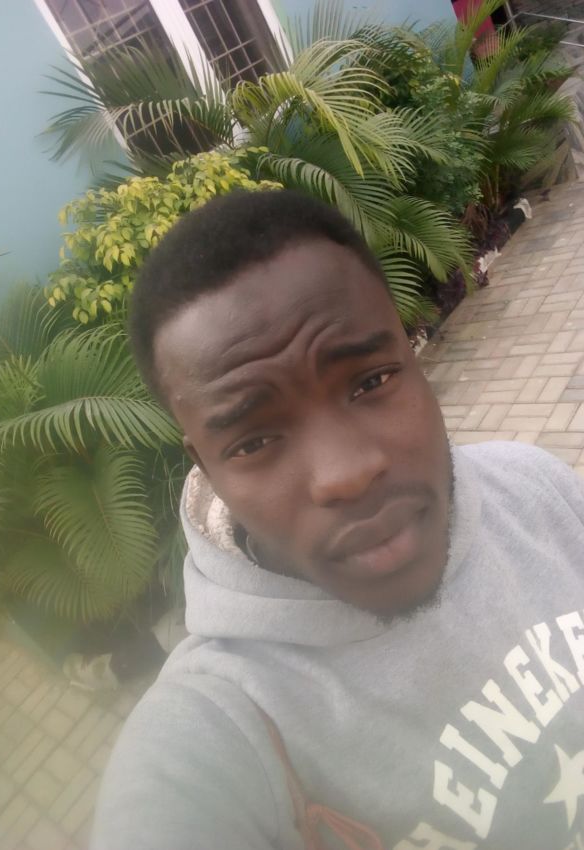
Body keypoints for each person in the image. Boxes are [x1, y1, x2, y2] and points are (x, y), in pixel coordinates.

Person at [91, 190, 584, 850]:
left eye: (371, 381)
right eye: (254, 441)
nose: (345, 474)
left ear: (413, 354)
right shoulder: (220, 729)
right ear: (206, 468)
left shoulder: (534, 486)